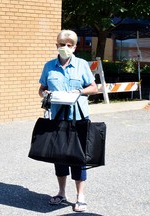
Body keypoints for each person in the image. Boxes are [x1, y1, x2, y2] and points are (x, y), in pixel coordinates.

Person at [38, 29, 98, 212]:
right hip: (57, 118)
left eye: (69, 45)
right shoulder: (49, 66)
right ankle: (61, 193)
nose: (65, 47)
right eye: (62, 44)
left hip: (78, 118)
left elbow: (94, 88)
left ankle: (80, 196)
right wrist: (45, 94)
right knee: (59, 157)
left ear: (74, 47)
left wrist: (79, 92)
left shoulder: (81, 65)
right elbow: (41, 89)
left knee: (78, 158)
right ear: (56, 46)